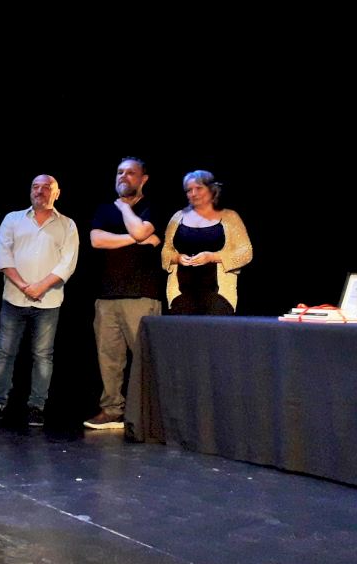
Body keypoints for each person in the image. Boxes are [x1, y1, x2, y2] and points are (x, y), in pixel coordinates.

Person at [0, 174, 78, 428]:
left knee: (43, 355)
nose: (40, 191)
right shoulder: (12, 219)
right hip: (14, 297)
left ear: (57, 193)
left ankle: (36, 406)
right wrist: (24, 286)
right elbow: (2, 255)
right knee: (5, 353)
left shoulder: (67, 225)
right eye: (35, 186)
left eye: (46, 187)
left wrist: (41, 286)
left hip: (49, 300)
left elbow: (67, 263)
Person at [83, 157, 163, 430]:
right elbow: (97, 240)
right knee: (108, 358)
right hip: (106, 296)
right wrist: (135, 239)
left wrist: (126, 210)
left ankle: (148, 415)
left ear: (143, 179)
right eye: (120, 172)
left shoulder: (152, 206)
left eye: (130, 173)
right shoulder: (105, 209)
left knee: (145, 359)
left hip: (141, 295)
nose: (123, 177)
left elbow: (141, 229)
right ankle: (111, 410)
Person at [161, 170, 252, 315]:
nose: (193, 193)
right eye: (189, 190)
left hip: (218, 296)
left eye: (198, 188)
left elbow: (245, 252)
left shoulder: (230, 217)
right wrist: (177, 258)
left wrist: (212, 257)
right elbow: (166, 251)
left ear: (212, 190)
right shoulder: (178, 217)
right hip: (181, 294)